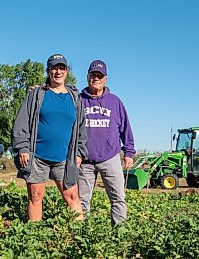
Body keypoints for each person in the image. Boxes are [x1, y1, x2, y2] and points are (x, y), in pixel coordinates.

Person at [12, 54, 87, 221]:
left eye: (61, 68)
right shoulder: (37, 95)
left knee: (72, 196)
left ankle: (80, 235)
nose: (58, 72)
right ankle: (35, 236)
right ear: (48, 71)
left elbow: (81, 127)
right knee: (36, 196)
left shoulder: (74, 98)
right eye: (54, 68)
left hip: (64, 157)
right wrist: (23, 147)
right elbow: (21, 123)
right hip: (37, 156)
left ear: (66, 71)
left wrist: (80, 152)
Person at [78, 60, 135, 225]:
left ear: (105, 79)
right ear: (88, 76)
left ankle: (119, 232)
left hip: (110, 157)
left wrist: (129, 153)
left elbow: (125, 128)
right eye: (93, 75)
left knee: (118, 198)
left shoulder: (115, 101)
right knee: (82, 201)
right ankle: (83, 234)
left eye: (100, 76)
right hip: (85, 160)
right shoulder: (78, 100)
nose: (96, 78)